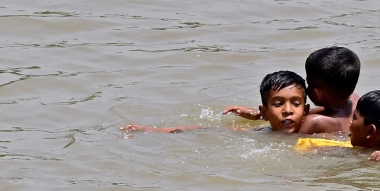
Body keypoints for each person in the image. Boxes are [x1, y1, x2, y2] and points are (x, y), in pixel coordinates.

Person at [223, 47, 359, 134]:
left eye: (309, 83)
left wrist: (240, 130)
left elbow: (280, 137)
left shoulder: (314, 122)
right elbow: (308, 113)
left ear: (316, 92)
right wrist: (261, 114)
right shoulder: (355, 101)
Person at [123, 71, 309, 134]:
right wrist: (153, 130)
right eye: (277, 104)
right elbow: (205, 129)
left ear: (306, 109)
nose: (288, 110)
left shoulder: (316, 125)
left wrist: (257, 115)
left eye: (296, 103)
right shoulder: (262, 133)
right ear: (265, 110)